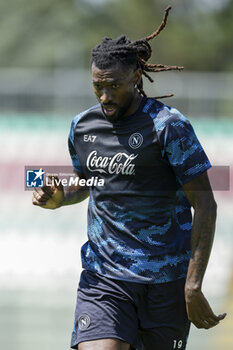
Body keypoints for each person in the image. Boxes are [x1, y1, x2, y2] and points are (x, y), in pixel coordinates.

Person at [32, 6, 226, 350]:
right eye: (97, 86)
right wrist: (62, 196)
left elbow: (206, 205)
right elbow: (88, 181)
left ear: (136, 77)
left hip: (165, 285)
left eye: (114, 86)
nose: (105, 96)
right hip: (104, 279)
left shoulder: (169, 127)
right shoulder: (83, 126)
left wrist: (193, 285)